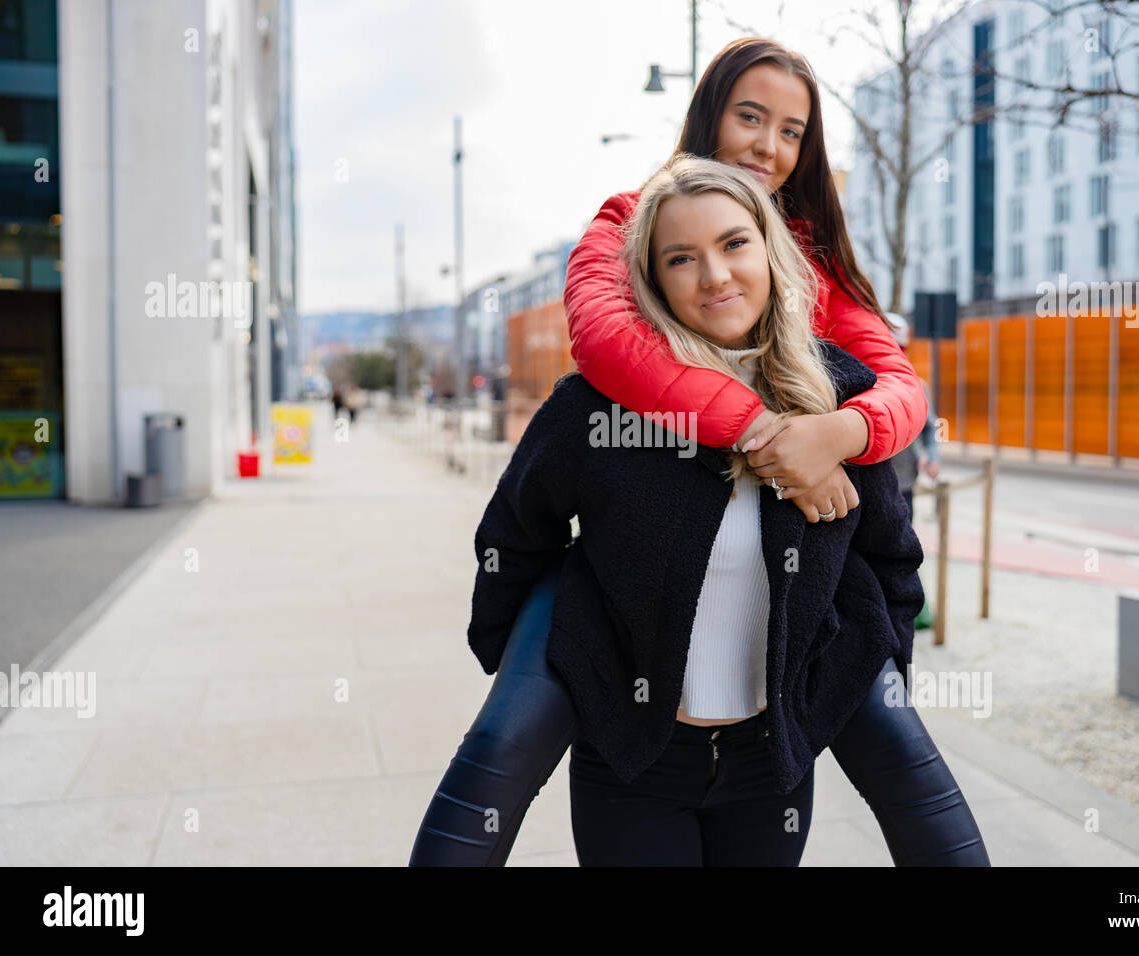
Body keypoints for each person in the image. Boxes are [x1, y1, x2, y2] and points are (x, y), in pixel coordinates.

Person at [408, 37, 986, 866]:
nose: (769, 146)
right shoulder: (607, 348)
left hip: (770, 763)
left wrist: (838, 432)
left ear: (775, 256)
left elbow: (894, 529)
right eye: (750, 117)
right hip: (633, 760)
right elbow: (527, 508)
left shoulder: (828, 366)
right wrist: (562, 674)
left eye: (792, 130)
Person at [885, 313, 940, 522]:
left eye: (900, 349)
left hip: (905, 485)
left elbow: (929, 428)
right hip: (866, 491)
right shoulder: (862, 384)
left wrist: (932, 457)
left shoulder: (917, 386)